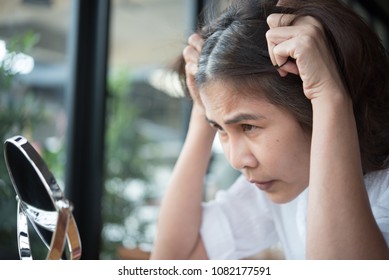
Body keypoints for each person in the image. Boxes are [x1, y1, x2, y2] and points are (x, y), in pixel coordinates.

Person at [150, 0, 389, 259]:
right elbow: (173, 261)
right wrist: (203, 110)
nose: (236, 160)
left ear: (311, 108)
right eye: (220, 129)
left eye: (249, 126)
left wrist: (329, 96)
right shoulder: (288, 181)